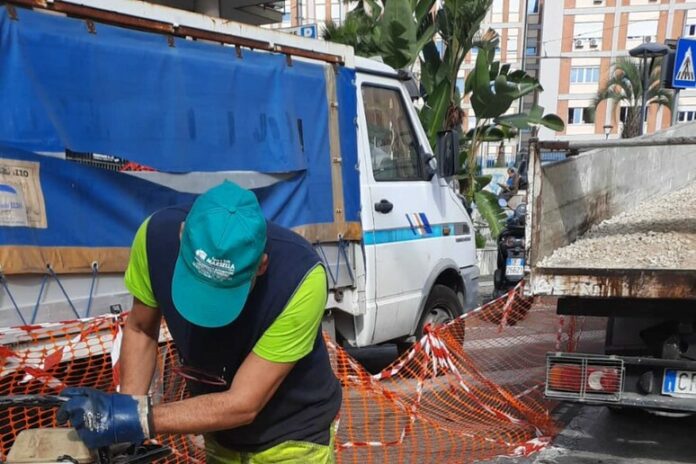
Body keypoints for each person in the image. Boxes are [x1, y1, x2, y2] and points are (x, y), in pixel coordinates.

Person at [57, 181, 342, 463]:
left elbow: (244, 403)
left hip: (292, 439)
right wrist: (125, 414)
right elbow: (141, 328)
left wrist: (138, 418)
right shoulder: (154, 239)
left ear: (262, 265)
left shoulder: (300, 278)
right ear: (182, 236)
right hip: (220, 436)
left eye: (222, 293)